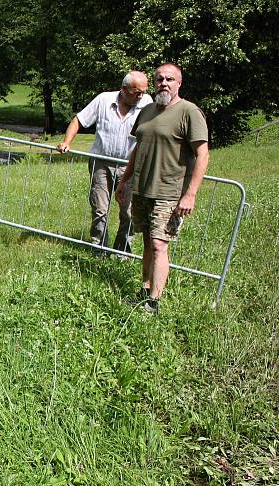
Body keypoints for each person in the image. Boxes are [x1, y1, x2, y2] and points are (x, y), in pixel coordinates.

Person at [117, 63, 209, 313]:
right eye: (159, 79)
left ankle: (153, 302)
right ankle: (144, 290)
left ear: (179, 83)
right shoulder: (146, 110)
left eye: (169, 79)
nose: (164, 83)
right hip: (142, 189)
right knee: (147, 241)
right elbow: (138, 148)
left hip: (169, 192)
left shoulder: (189, 112)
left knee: (159, 244)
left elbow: (202, 155)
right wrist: (125, 180)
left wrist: (190, 194)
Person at [57, 71, 152, 254]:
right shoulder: (103, 100)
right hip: (101, 163)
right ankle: (98, 248)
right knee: (100, 208)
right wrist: (66, 142)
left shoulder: (147, 104)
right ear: (123, 89)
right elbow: (79, 120)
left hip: (130, 167)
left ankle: (122, 252)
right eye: (136, 92)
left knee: (129, 212)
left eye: (143, 91)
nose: (140, 96)